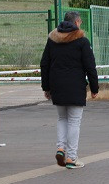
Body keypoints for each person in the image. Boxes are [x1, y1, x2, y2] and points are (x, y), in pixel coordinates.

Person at [40, 11, 99, 169]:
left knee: (62, 119)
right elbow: (90, 66)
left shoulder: (52, 40)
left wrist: (46, 87)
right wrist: (94, 87)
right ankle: (71, 157)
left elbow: (44, 64)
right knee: (74, 121)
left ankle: (61, 148)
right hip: (75, 86)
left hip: (57, 86)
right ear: (77, 22)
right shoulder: (82, 41)